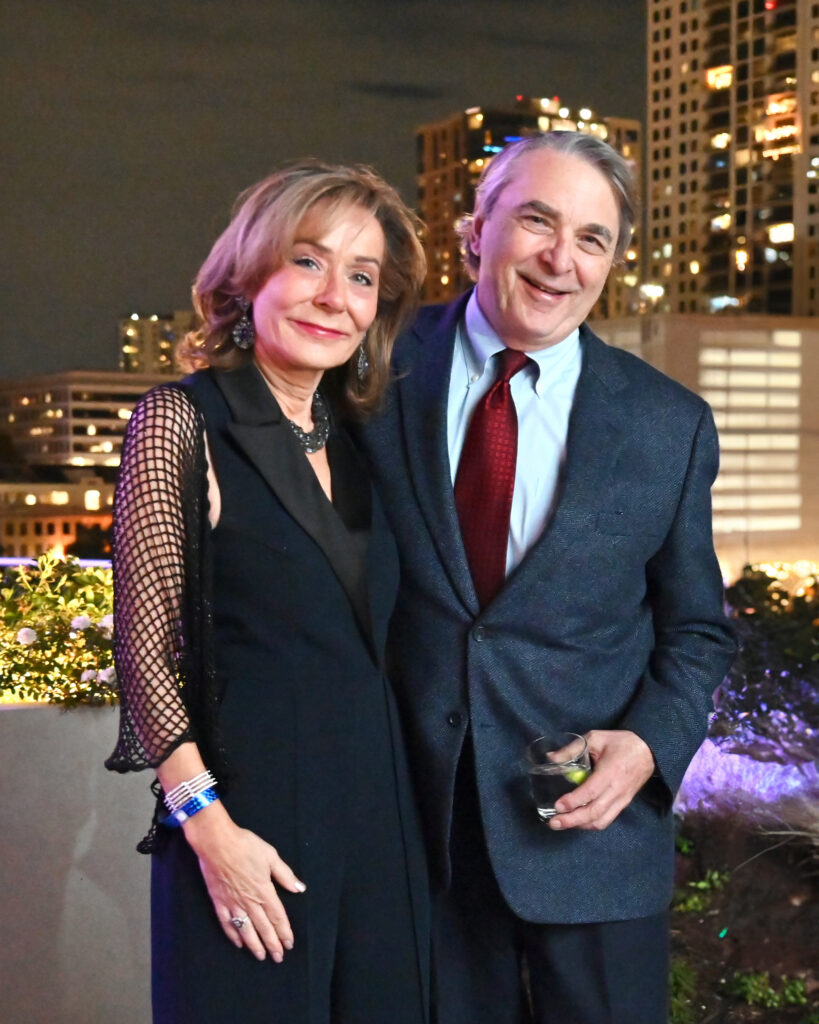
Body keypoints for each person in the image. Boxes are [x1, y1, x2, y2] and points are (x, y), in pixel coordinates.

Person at [356, 131, 737, 1024]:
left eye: (591, 238)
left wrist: (647, 746)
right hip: (412, 841)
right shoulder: (369, 368)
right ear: (475, 228)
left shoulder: (668, 425)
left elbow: (695, 629)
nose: (560, 259)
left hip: (592, 841)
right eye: (536, 220)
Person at [106, 160, 429, 1024]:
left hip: (380, 829)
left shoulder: (362, 441)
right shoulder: (181, 420)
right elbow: (143, 653)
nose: (334, 297)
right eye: (308, 261)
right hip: (250, 829)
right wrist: (209, 831)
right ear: (248, 276)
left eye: (361, 277)